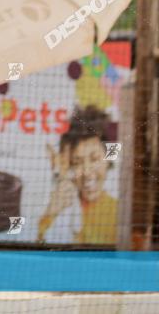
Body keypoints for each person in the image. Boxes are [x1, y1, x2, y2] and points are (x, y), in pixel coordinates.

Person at [38, 105, 117, 245]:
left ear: (109, 159)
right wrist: (50, 214)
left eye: (94, 159)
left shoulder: (119, 213)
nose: (86, 172)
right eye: (77, 162)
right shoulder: (50, 205)